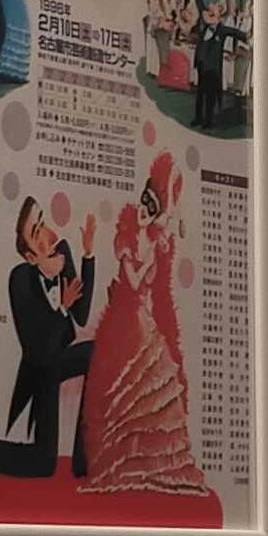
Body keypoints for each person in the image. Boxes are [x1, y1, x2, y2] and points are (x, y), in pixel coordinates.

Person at [82, 155, 206, 496]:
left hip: (142, 319)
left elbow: (152, 280)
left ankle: (149, 462)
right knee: (125, 389)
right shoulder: (127, 236)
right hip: (125, 319)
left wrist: (164, 235)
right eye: (143, 202)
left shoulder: (154, 239)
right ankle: (120, 458)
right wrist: (149, 256)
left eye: (151, 208)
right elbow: (134, 282)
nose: (143, 210)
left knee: (152, 387)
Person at [0, 198, 95, 480]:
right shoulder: (20, 280)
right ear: (30, 257)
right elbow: (37, 346)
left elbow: (81, 316)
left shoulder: (62, 252)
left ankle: (84, 458)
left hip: (60, 358)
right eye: (37, 231)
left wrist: (88, 254)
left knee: (99, 353)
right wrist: (62, 307)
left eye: (43, 222)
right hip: (40, 366)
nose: (48, 234)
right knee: (44, 464)